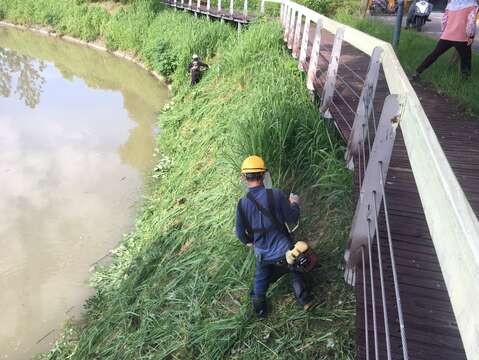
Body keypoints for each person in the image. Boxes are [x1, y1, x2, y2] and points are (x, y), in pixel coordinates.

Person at [235, 155, 314, 319]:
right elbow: (292, 218)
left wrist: (250, 242)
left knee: (260, 278)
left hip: (262, 253)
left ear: (244, 178)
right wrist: (294, 203)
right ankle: (305, 301)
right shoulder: (276, 194)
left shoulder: (242, 204)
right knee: (295, 270)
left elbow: (240, 234)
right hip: (284, 250)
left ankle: (260, 311)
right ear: (264, 175)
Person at [411, 0, 478, 80]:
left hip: (446, 36)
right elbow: (471, 22)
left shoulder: (450, 4)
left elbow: (444, 21)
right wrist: (471, 36)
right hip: (462, 38)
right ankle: (465, 80)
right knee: (466, 59)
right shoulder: (473, 5)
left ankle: (417, 72)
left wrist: (445, 31)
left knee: (434, 54)